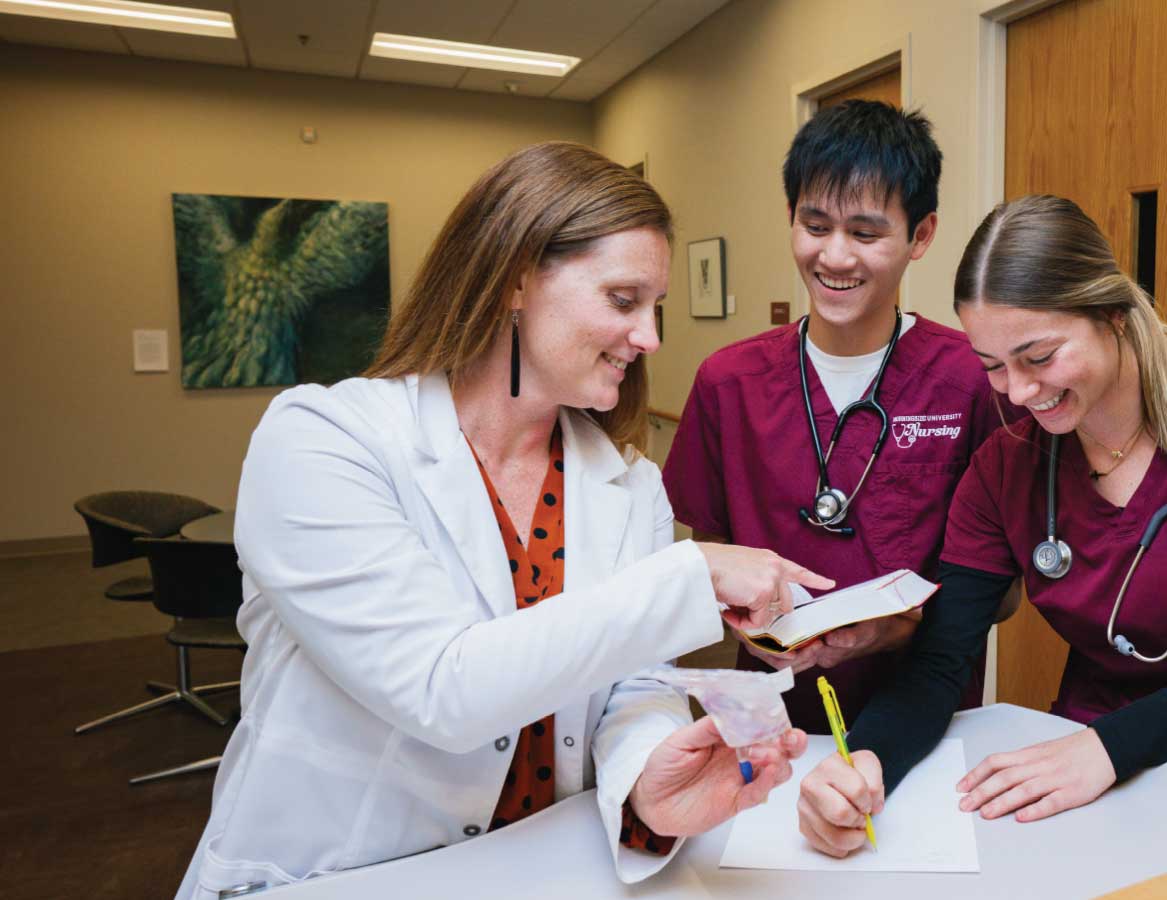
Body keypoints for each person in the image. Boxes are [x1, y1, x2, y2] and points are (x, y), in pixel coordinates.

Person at [176, 143, 828, 899]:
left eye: (656, 309)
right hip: (336, 875)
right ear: (516, 278)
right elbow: (441, 688)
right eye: (623, 300)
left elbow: (631, 687)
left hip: (538, 866)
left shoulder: (630, 484)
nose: (650, 338)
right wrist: (694, 571)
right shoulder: (325, 442)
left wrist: (649, 779)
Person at [798, 194, 1167, 857]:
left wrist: (1110, 745)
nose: (1016, 392)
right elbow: (940, 662)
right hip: (1101, 799)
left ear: (1113, 315)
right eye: (991, 367)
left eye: (1038, 357)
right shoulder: (1004, 472)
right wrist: (868, 762)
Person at [663, 100, 1018, 736]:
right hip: (774, 716)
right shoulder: (728, 382)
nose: (834, 257)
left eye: (865, 232)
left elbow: (1007, 590)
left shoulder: (973, 380)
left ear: (922, 235)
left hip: (928, 711)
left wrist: (895, 628)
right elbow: (707, 559)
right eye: (815, 224)